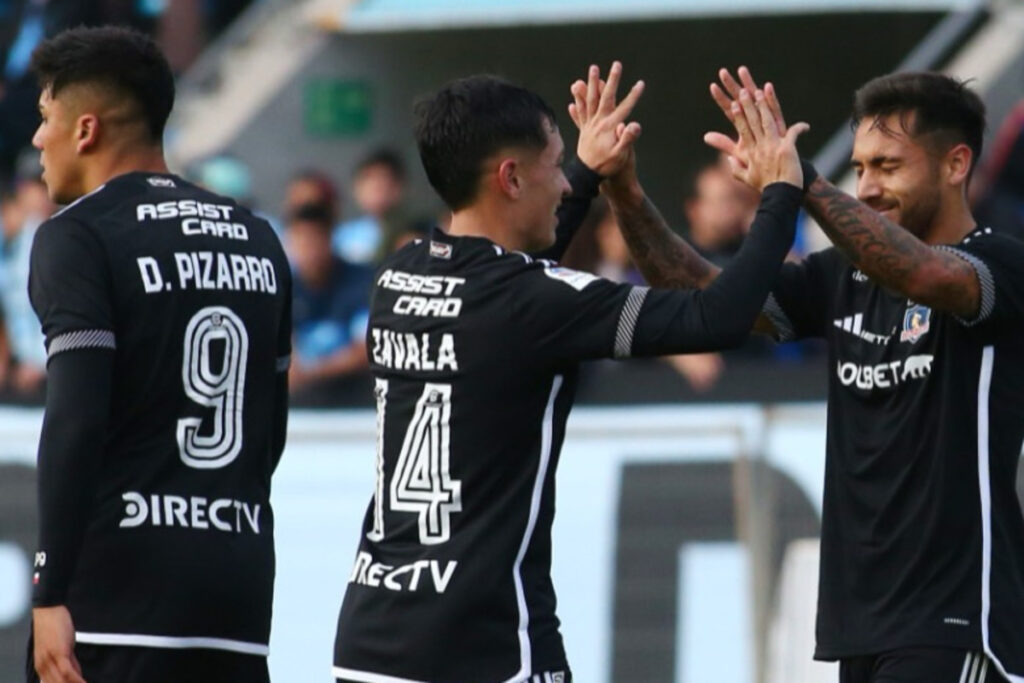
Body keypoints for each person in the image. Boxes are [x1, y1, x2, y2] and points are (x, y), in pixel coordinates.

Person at [331, 62, 808, 682]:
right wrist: (779, 195)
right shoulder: (536, 300)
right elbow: (721, 317)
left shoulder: (399, 277)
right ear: (509, 177)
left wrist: (586, 169)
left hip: (371, 637)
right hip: (482, 644)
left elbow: (510, 295)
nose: (562, 185)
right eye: (555, 166)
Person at [610, 66, 1024, 682]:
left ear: (956, 164)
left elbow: (926, 277)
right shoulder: (841, 277)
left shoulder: (1000, 262)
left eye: (888, 165)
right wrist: (624, 192)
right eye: (860, 169)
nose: (870, 186)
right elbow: (702, 291)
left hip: (956, 620)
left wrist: (802, 183)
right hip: (858, 625)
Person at [26, 25, 291, 683]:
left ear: (85, 130)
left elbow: (76, 421)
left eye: (44, 117)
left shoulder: (77, 237)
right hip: (237, 590)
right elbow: (270, 431)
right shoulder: (258, 238)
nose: (37, 139)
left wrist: (50, 586)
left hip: (114, 593)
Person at [285, 201, 372, 399]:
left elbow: (366, 349)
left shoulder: (361, 282)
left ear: (330, 238)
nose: (309, 250)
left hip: (354, 397)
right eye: (301, 240)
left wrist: (313, 373)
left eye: (315, 239)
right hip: (301, 402)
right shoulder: (283, 287)